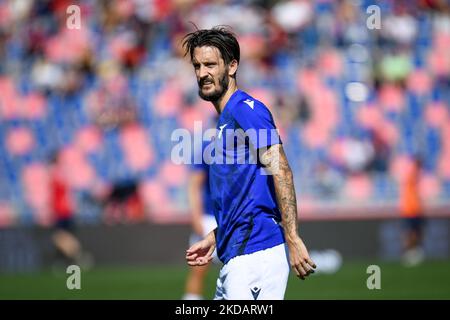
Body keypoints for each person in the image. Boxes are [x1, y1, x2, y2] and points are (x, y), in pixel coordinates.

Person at [182, 27, 316, 300]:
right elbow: (246, 199)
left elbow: (281, 169)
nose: (202, 73)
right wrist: (216, 237)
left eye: (210, 64)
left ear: (232, 66)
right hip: (236, 254)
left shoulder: (245, 109)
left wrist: (292, 237)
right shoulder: (224, 122)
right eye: (197, 65)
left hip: (256, 257)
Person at [182, 139, 218, 300]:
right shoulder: (208, 147)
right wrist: (197, 216)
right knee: (199, 269)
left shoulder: (245, 145)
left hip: (234, 217)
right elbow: (194, 183)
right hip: (210, 217)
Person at [49, 151, 93, 269]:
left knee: (59, 236)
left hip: (62, 210)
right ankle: (70, 258)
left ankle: (78, 255)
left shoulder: (56, 172)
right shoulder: (62, 172)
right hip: (64, 209)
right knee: (61, 236)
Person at [400, 156, 425, 267]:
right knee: (411, 233)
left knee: (416, 233)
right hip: (409, 211)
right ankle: (408, 253)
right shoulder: (411, 176)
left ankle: (413, 253)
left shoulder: (415, 178)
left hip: (415, 210)